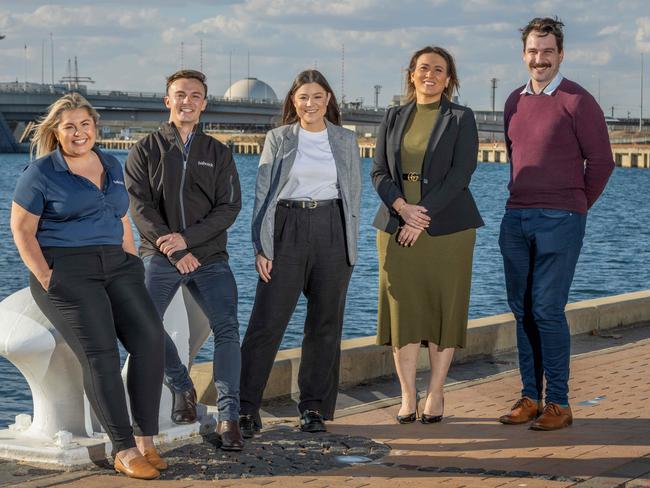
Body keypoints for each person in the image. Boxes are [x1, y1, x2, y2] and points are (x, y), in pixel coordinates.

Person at [10, 93, 166, 480]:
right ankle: (124, 448)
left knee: (151, 340)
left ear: (95, 127)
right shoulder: (42, 172)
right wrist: (48, 277)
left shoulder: (111, 163)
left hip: (118, 265)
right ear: (56, 132)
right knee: (102, 356)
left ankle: (147, 438)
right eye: (69, 127)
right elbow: (21, 230)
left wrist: (131, 260)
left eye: (85, 125)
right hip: (68, 268)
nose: (79, 133)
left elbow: (121, 217)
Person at [498, 17, 614, 430]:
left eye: (547, 51)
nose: (539, 58)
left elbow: (602, 162)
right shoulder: (514, 100)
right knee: (522, 310)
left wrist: (576, 206)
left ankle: (559, 403)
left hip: (560, 219)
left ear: (560, 54)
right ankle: (531, 397)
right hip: (516, 218)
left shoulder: (577, 101)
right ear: (524, 54)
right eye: (533, 50)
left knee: (547, 309)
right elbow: (515, 154)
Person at [124, 70, 243, 449]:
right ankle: (182, 385)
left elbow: (229, 208)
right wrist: (173, 247)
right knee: (142, 323)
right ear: (167, 101)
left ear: (204, 103)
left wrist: (189, 241)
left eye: (195, 95)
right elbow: (138, 208)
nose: (187, 101)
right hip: (159, 254)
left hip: (209, 254)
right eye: (180, 94)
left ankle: (229, 417)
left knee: (227, 328)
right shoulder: (144, 150)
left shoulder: (218, 152)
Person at [239, 69, 361, 436]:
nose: (310, 104)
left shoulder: (345, 140)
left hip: (332, 230)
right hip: (287, 228)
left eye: (318, 97)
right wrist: (262, 246)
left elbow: (353, 193)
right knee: (266, 322)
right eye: (303, 97)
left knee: (325, 325)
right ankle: (246, 408)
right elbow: (263, 195)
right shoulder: (278, 138)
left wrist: (349, 245)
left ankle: (313, 409)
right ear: (293, 101)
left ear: (328, 100)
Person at [370, 46, 483, 424]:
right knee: (402, 313)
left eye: (439, 69)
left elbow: (461, 174)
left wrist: (422, 217)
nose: (430, 74)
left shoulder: (461, 118)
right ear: (411, 74)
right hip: (396, 226)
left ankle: (435, 393)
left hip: (447, 231)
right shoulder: (393, 116)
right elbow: (379, 173)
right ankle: (406, 395)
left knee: (441, 311)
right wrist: (403, 209)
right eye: (423, 68)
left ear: (449, 78)